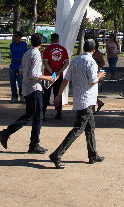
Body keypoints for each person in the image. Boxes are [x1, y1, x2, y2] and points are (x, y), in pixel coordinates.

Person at [49, 38, 105, 168]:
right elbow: (92, 80)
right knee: (78, 129)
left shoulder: (75, 61)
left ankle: (93, 154)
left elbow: (66, 79)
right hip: (87, 100)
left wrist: (58, 96)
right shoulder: (91, 62)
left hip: (81, 99)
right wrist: (100, 77)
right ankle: (57, 154)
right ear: (94, 50)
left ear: (84, 48)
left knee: (90, 128)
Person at [0, 34, 56, 154]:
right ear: (41, 43)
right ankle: (32, 143)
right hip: (34, 88)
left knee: (30, 114)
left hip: (26, 88)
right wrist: (47, 78)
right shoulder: (36, 54)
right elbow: (34, 75)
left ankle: (9, 133)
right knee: (37, 116)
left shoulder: (27, 53)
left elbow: (22, 70)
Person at [42, 33, 70, 119]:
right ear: (58, 39)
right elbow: (66, 62)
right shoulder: (63, 49)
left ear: (51, 39)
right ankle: (59, 112)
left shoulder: (47, 49)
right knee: (58, 93)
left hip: (48, 75)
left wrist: (52, 71)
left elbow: (45, 62)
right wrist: (59, 71)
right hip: (59, 75)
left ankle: (42, 113)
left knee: (46, 94)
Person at [8, 31, 28, 103]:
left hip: (21, 66)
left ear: (20, 36)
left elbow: (26, 53)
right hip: (13, 65)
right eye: (14, 36)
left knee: (21, 81)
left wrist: (25, 61)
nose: (14, 37)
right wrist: (20, 59)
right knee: (12, 81)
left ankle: (22, 95)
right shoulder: (12, 45)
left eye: (16, 36)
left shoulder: (24, 44)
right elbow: (13, 55)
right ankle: (14, 96)